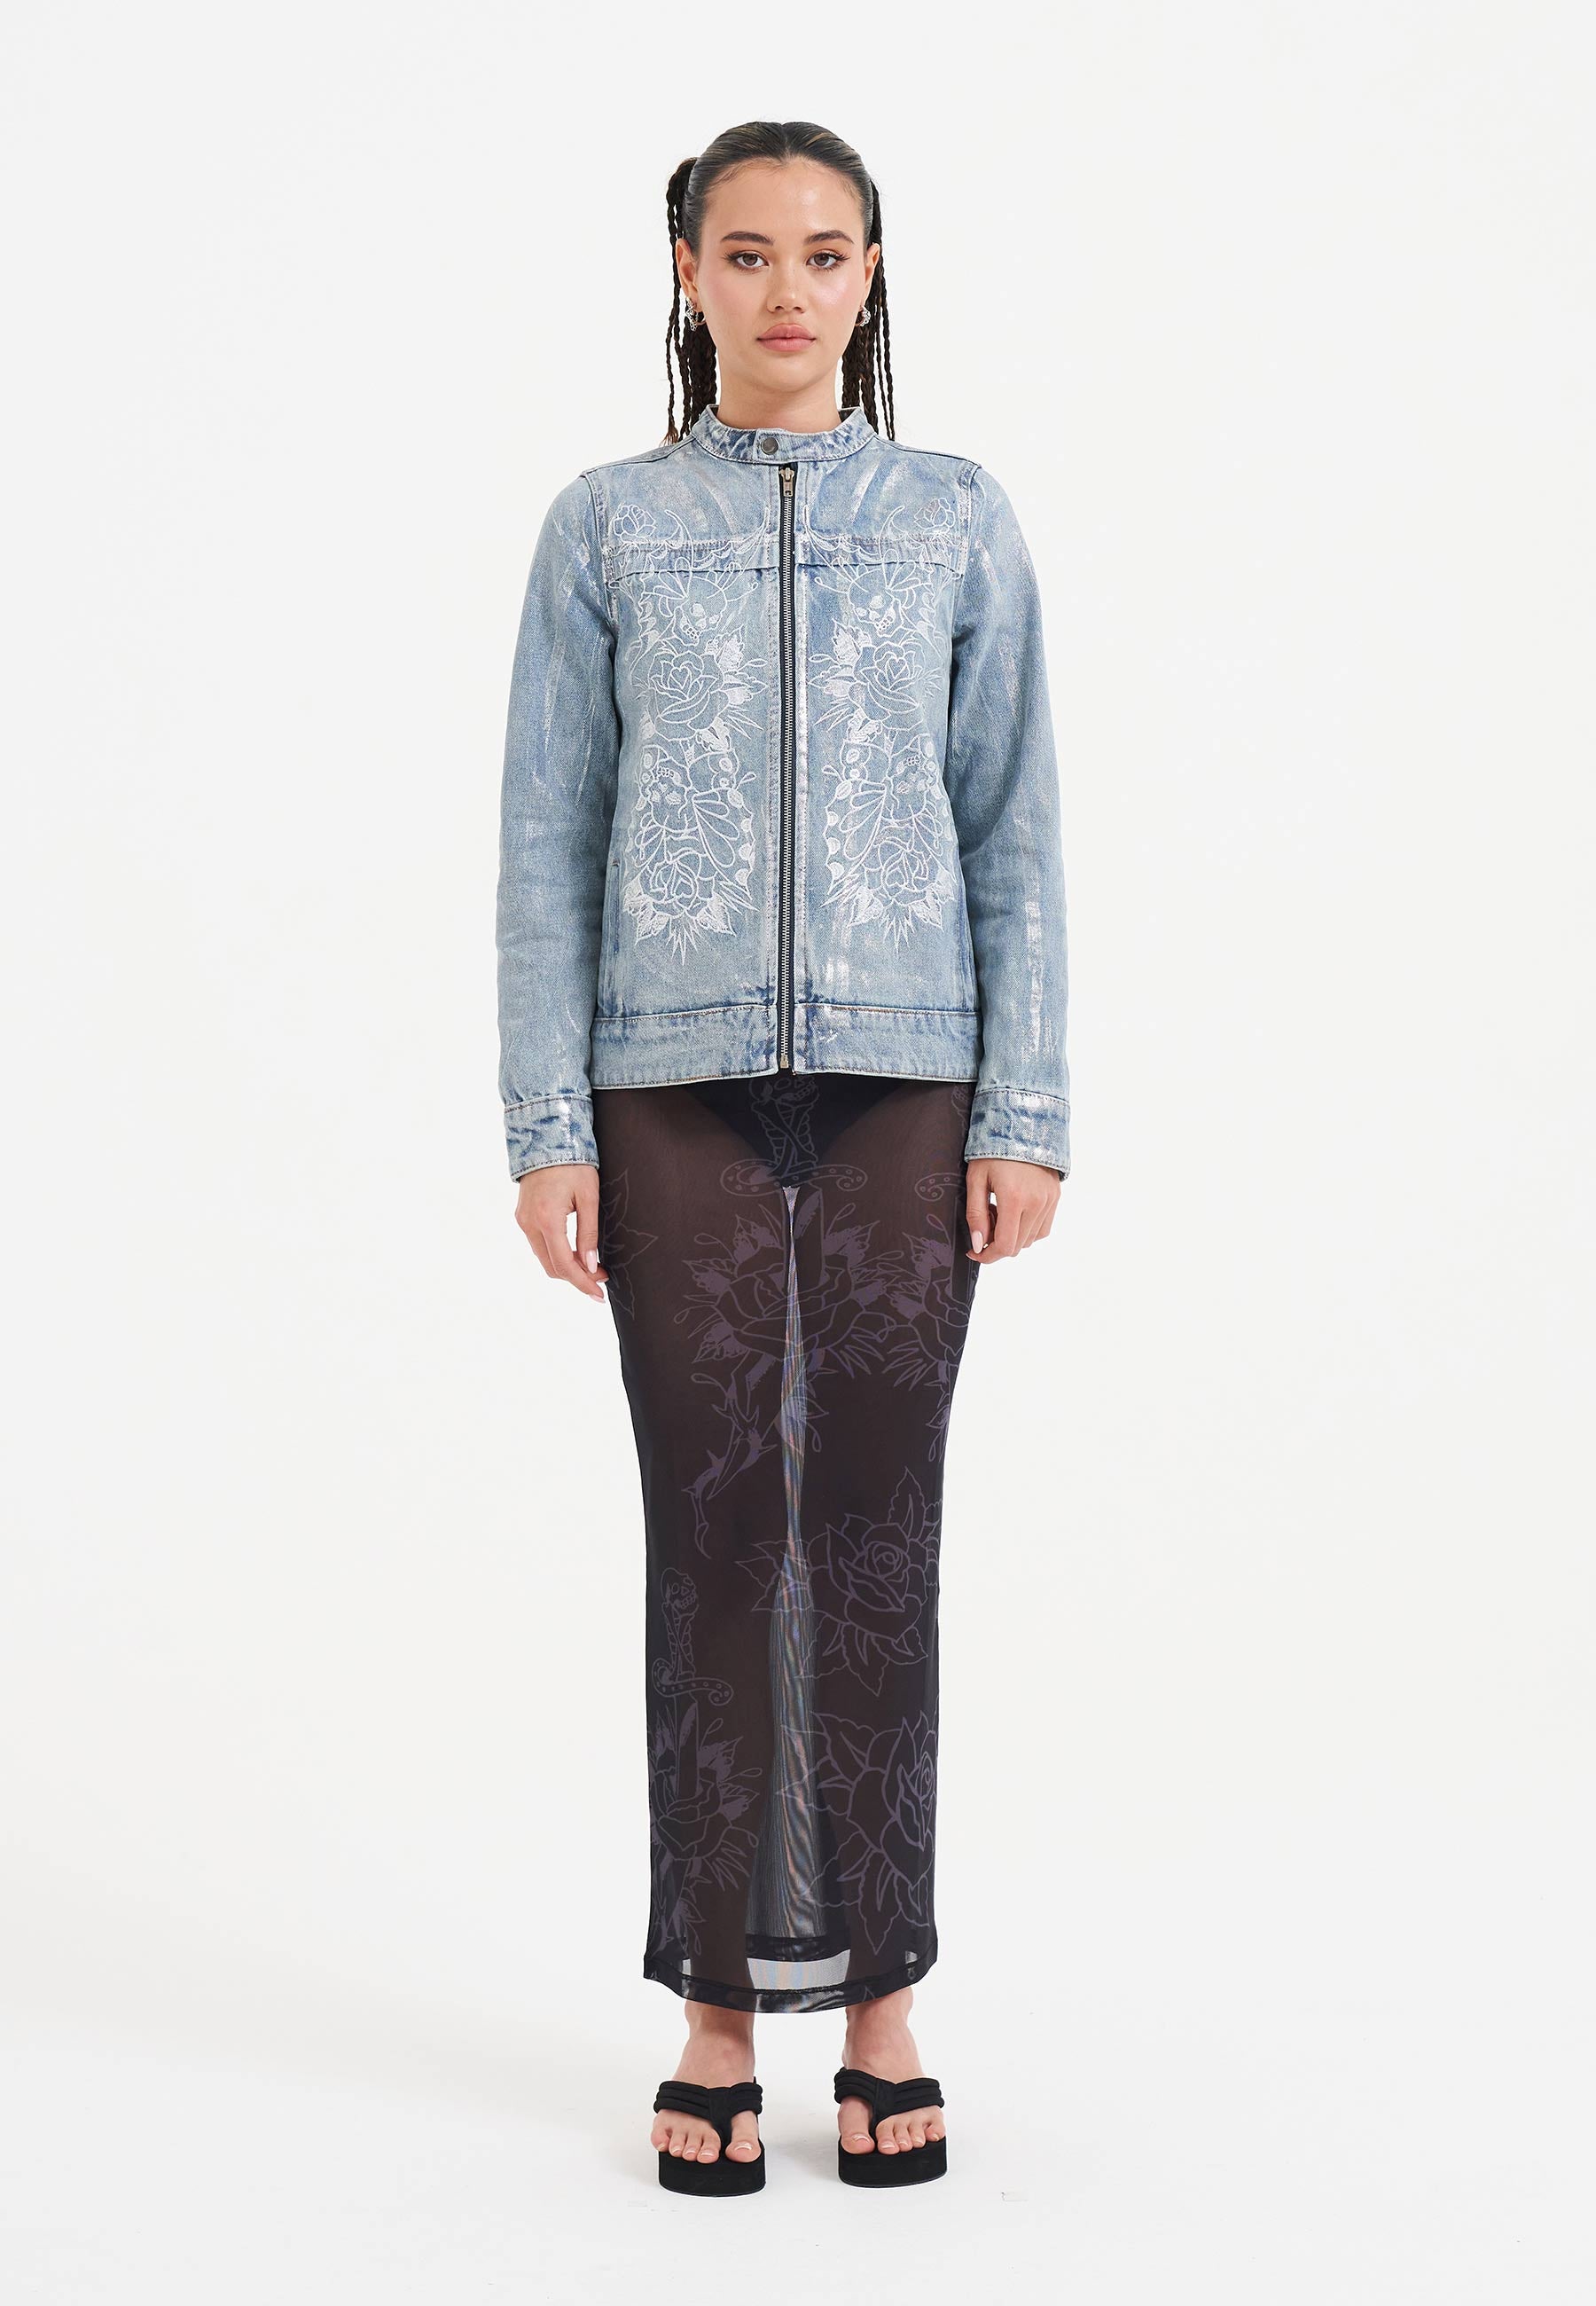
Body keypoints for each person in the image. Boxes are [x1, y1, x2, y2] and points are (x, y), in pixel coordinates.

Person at [496, 119, 1070, 2196]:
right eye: (746, 254)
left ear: (871, 272)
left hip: (913, 1079)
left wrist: (1027, 1108)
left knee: (883, 1532)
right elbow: (545, 835)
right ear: (688, 277)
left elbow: (1014, 824)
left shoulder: (957, 518)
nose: (788, 290)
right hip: (669, 1090)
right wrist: (546, 1124)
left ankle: (888, 2001)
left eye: (825, 253)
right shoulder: (605, 528)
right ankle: (717, 2011)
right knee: (717, 1530)